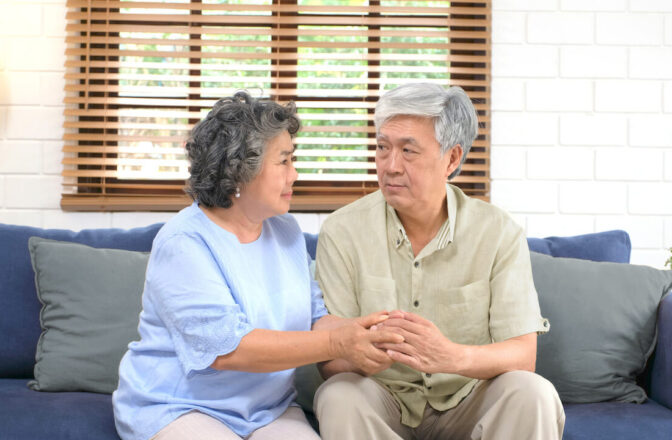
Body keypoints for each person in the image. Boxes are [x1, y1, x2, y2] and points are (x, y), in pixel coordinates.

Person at [112, 91, 403, 440]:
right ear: (239, 170)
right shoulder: (184, 242)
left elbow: (313, 318)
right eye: (284, 161)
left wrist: (370, 334)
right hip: (179, 404)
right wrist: (339, 344)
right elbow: (228, 348)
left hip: (268, 408)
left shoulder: (285, 231)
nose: (294, 174)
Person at [313, 83, 565, 440]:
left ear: (451, 158)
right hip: (383, 397)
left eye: (408, 151)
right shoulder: (343, 231)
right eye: (383, 148)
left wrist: (450, 356)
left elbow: (523, 355)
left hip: (470, 396)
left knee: (533, 393)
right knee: (339, 395)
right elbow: (330, 362)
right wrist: (367, 352)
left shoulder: (498, 233)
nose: (391, 166)